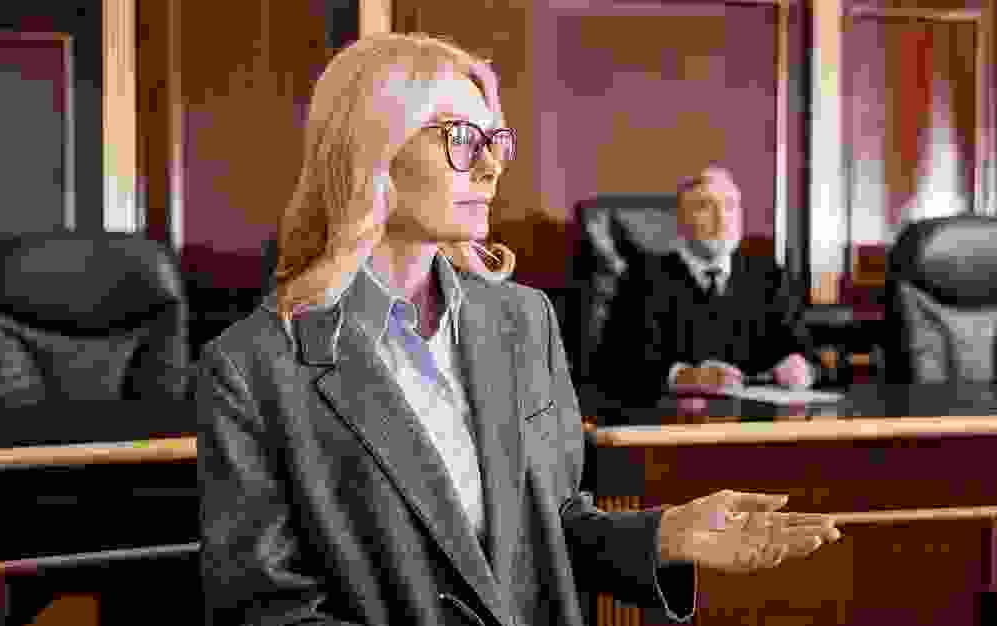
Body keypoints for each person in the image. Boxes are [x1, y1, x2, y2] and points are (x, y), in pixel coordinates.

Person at [197, 33, 841, 626]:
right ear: (372, 147)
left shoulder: (525, 320)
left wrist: (662, 537)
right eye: (460, 138)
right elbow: (265, 612)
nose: (490, 167)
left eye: (495, 142)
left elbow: (552, 529)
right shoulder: (251, 367)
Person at [596, 167, 816, 405]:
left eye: (730, 206)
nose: (721, 219)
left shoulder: (769, 277)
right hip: (672, 419)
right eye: (705, 207)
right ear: (681, 221)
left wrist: (804, 368)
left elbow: (811, 355)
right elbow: (616, 366)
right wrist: (684, 377)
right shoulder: (642, 279)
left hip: (755, 419)